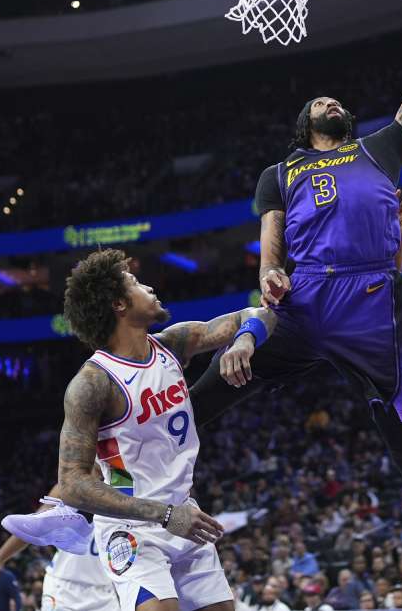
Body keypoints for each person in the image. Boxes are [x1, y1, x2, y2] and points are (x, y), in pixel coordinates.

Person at [184, 0, 402, 611]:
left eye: (335, 98)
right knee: (207, 390)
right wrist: (268, 276)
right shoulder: (280, 171)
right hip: (307, 298)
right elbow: (270, 244)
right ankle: (114, 482)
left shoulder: (379, 149)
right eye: (320, 100)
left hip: (376, 302)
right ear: (307, 124)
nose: (330, 100)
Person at [50, 249, 278, 611]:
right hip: (132, 527)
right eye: (136, 283)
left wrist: (246, 338)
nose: (150, 287)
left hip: (185, 516)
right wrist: (165, 515)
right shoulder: (92, 383)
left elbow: (258, 313)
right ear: (119, 304)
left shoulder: (174, 344)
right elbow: (72, 482)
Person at [0, 486, 117, 611]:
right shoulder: (68, 485)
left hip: (106, 591)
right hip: (64, 589)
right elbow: (33, 527)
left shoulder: (131, 488)